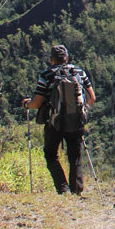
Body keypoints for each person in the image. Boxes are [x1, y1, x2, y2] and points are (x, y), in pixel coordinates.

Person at [21, 44, 95, 195]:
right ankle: (76, 190)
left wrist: (27, 104)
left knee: (50, 154)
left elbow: (37, 103)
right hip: (76, 121)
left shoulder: (46, 75)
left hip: (54, 123)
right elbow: (92, 97)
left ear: (51, 60)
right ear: (67, 58)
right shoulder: (79, 72)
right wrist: (84, 111)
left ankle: (63, 189)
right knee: (75, 156)